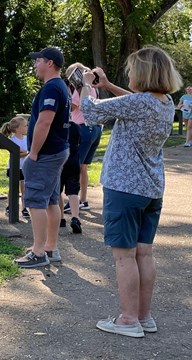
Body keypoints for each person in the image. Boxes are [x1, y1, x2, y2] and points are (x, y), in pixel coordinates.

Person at [81, 46, 182, 338]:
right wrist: (109, 85)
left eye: (130, 71)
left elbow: (91, 114)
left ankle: (127, 320)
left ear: (142, 73)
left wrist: (88, 85)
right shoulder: (164, 102)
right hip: (151, 188)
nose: (128, 74)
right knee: (144, 254)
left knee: (124, 257)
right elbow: (134, 102)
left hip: (124, 188)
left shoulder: (139, 104)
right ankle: (144, 317)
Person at [14, 47, 70, 268]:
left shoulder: (51, 89)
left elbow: (44, 122)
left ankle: (38, 252)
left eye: (38, 61)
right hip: (58, 150)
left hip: (45, 154)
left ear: (49, 63)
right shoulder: (61, 87)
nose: (35, 65)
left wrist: (33, 153)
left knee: (36, 201)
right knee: (50, 200)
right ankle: (50, 247)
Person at [64, 62, 101, 213]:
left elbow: (72, 106)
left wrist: (65, 93)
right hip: (96, 129)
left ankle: (74, 200)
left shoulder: (80, 88)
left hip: (83, 129)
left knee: (75, 166)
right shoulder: (92, 88)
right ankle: (83, 200)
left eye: (71, 75)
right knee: (83, 167)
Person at [0, 116, 30, 219]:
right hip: (14, 167)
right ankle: (10, 206)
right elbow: (16, 152)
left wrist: (23, 152)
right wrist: (23, 152)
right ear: (18, 129)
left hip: (24, 167)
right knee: (13, 188)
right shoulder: (12, 140)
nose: (27, 127)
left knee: (24, 188)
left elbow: (25, 151)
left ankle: (24, 208)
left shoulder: (27, 139)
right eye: (25, 125)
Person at [57, 119, 82, 234]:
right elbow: (79, 141)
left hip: (60, 162)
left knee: (57, 191)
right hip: (74, 162)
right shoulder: (76, 127)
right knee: (73, 192)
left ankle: (61, 218)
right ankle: (75, 217)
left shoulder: (56, 125)